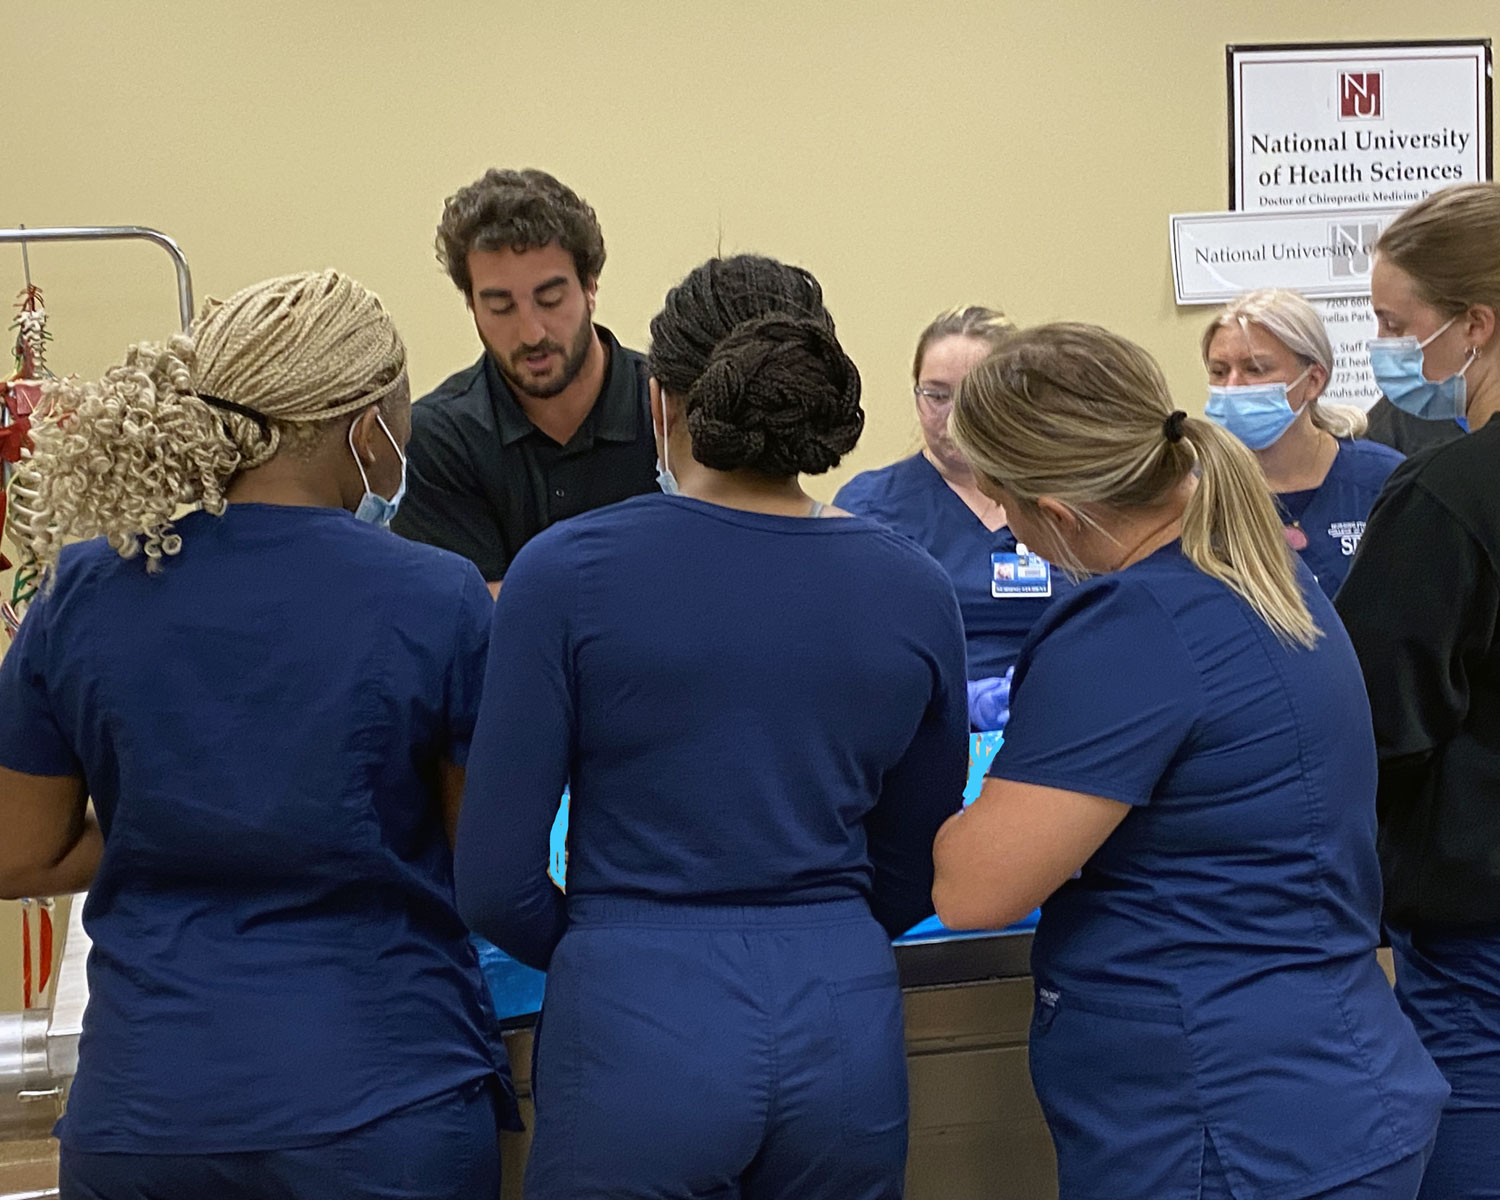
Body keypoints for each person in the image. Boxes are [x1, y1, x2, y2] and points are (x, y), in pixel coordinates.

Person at [454, 254, 968, 1200]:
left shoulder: (566, 575)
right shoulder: (914, 586)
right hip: (842, 1020)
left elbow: (495, 878)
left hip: (636, 1022)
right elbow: (915, 850)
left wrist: (616, 944)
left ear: (662, 403)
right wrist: (822, 933)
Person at [0, 271, 515, 1200]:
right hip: (380, 1107)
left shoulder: (83, 589)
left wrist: (176, 817)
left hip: (148, 1117)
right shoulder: (436, 596)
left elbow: (16, 854)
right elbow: (478, 858)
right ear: (368, 430)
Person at [931, 322, 1447, 1200]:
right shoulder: (1261, 580)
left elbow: (976, 890)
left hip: (1223, 1119)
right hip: (1326, 1083)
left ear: (1051, 512)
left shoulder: (1133, 624)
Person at [1336, 180, 1500, 1200]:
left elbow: (1371, 723)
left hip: (1480, 940)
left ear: (1476, 325)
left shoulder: (1449, 495)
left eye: (1398, 326)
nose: (1389, 351)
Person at [392, 168, 658, 592]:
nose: (531, 333)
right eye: (500, 306)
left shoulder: (669, 409)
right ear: (470, 303)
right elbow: (469, 618)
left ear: (590, 287)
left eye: (550, 299)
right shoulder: (437, 438)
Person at [835, 307, 1073, 730]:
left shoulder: (1068, 498)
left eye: (974, 394)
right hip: (925, 725)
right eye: (937, 395)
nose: (955, 415)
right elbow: (854, 649)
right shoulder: (871, 506)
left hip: (1063, 716)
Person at [1201, 288, 1403, 597]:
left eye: (1255, 369)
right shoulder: (1198, 490)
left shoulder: (1384, 480)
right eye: (1219, 371)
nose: (1232, 386)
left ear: (1313, 380)